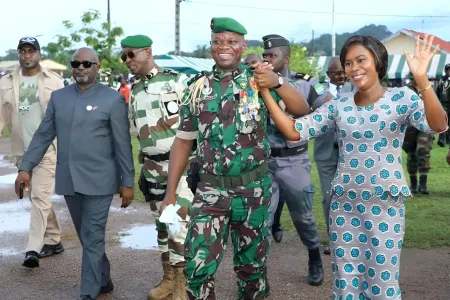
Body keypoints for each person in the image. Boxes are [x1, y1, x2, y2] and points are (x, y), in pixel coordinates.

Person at [259, 34, 447, 299]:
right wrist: (267, 91)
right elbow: (294, 131)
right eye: (348, 63)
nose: (354, 68)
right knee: (346, 285)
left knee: (382, 284)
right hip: (344, 207)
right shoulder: (339, 105)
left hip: (384, 206)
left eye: (361, 60)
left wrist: (423, 81)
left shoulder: (402, 98)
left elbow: (438, 125)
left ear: (378, 61)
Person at [161, 17, 309, 299]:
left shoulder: (258, 81)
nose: (223, 46)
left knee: (251, 269)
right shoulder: (197, 88)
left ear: (242, 46)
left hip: (253, 191)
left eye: (231, 41)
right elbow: (183, 142)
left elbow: (301, 109)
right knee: (197, 269)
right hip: (210, 192)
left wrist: (276, 82)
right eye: (217, 41)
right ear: (211, 47)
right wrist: (170, 193)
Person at [14, 47, 135, 300]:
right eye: (76, 63)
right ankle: (103, 279)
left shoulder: (112, 99)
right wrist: (26, 167)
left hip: (100, 182)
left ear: (97, 67)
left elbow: (122, 144)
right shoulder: (59, 98)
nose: (81, 67)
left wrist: (127, 182)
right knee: (86, 235)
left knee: (91, 236)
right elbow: (44, 134)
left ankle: (87, 293)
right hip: (70, 180)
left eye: (87, 64)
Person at [121, 34, 194, 300]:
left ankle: (181, 286)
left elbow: (194, 120)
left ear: (148, 52)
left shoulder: (176, 80)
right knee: (162, 226)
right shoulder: (136, 91)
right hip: (152, 168)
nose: (127, 60)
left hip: (179, 166)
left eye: (131, 54)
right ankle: (168, 278)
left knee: (177, 225)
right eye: (124, 56)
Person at [261, 34, 332, 286]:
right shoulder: (256, 84)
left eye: (273, 55)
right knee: (262, 219)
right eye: (265, 55)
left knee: (303, 218)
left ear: (286, 58)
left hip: (295, 161)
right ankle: (258, 274)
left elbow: (326, 108)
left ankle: (314, 256)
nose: (267, 59)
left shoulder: (305, 84)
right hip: (263, 163)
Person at [0, 37, 65, 268]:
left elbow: (64, 117)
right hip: (21, 150)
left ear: (39, 53)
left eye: (31, 51)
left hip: (48, 148)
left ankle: (32, 249)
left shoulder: (55, 81)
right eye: (23, 51)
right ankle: (55, 239)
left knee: (38, 197)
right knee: (37, 196)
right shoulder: (7, 81)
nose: (27, 55)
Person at [313, 57, 347, 256]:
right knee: (329, 197)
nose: (341, 75)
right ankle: (333, 239)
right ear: (328, 75)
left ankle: (351, 238)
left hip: (350, 153)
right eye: (336, 73)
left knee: (350, 196)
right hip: (325, 152)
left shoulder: (357, 89)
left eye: (344, 71)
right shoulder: (318, 91)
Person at [402, 75, 433, 194]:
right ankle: (414, 184)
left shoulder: (429, 87)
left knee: (423, 150)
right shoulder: (407, 90)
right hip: (411, 125)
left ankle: (423, 183)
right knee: (411, 153)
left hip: (426, 124)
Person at [436, 63, 450, 146]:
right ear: (445, 71)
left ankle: (448, 138)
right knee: (444, 121)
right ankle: (441, 139)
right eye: (448, 69)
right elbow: (437, 91)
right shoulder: (441, 80)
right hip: (443, 104)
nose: (449, 71)